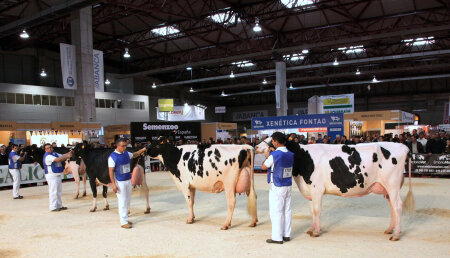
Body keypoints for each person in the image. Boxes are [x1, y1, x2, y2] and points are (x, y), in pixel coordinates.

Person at [262, 132, 294, 244]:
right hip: (288, 184)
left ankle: (277, 237)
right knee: (287, 210)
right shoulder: (290, 154)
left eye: (273, 141)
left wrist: (268, 156)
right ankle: (286, 234)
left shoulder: (275, 155)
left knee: (276, 211)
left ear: (276, 141)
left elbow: (264, 166)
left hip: (277, 185)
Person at [108, 138, 145, 229]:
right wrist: (113, 184)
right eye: (123, 146)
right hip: (120, 182)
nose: (125, 147)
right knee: (122, 201)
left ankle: (125, 218)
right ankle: (123, 221)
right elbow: (111, 171)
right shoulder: (112, 157)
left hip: (128, 180)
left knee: (127, 200)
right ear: (117, 146)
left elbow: (135, 154)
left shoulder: (126, 153)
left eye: (125, 145)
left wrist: (143, 150)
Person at [43, 143, 73, 211]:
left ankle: (59, 205)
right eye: (47, 148)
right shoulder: (48, 156)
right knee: (53, 191)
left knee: (58, 191)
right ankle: (53, 207)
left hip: (57, 174)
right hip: (51, 175)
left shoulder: (54, 153)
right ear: (45, 149)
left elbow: (62, 156)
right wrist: (67, 156)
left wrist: (69, 153)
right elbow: (58, 160)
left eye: (50, 147)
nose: (49, 149)